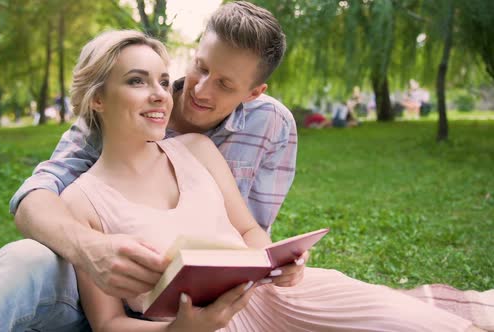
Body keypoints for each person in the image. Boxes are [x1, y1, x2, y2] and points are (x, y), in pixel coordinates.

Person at [57, 30, 480, 331]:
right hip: (198, 327)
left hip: (280, 299)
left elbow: (247, 229)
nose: (161, 94)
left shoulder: (196, 150)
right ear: (97, 98)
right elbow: (108, 322)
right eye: (137, 81)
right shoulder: (79, 203)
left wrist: (277, 262)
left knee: (421, 324)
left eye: (164, 82)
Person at [0, 2, 298, 331]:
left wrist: (277, 263)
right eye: (199, 67)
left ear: (252, 93)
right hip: (105, 290)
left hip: (209, 304)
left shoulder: (271, 127)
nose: (199, 90)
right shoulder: (103, 123)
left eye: (225, 85)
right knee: (25, 258)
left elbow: (253, 232)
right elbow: (33, 197)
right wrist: (91, 249)